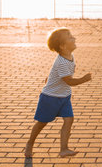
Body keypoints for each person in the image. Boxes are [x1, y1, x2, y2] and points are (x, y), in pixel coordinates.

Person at [25, 27, 92, 158]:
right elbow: (69, 81)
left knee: (69, 119)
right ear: (62, 46)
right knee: (42, 123)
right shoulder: (62, 61)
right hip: (50, 98)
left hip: (64, 96)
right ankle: (29, 144)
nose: (74, 38)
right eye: (70, 37)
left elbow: (56, 72)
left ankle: (64, 149)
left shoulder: (69, 56)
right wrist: (84, 79)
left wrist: (49, 78)